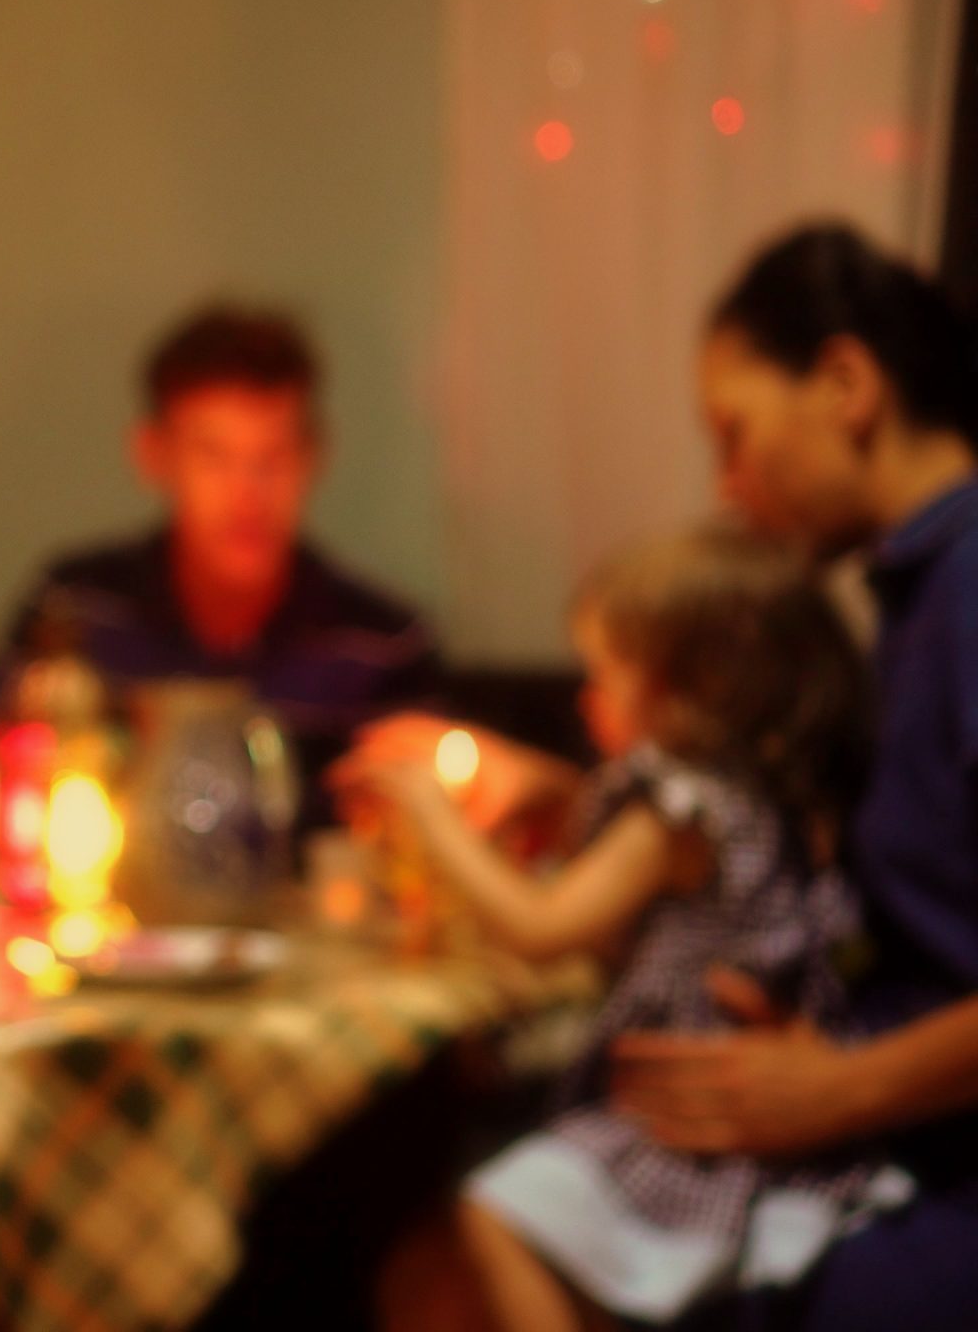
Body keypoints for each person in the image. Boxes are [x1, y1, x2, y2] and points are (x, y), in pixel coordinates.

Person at [353, 223, 978, 1328]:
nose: (728, 487)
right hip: (859, 1111)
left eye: (733, 433)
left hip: (931, 1160)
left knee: (452, 1275)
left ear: (846, 385)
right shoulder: (903, 598)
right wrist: (567, 794)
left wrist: (842, 1089)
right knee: (431, 1254)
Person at [350, 527, 899, 1330]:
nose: (586, 698)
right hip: (743, 1118)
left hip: (679, 1118)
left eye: (603, 674)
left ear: (685, 690)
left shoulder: (674, 807)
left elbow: (539, 930)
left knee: (493, 1214)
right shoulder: (766, 798)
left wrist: (436, 819)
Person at [4, 304, 441, 807]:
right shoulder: (73, 613)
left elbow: (420, 824)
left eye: (272, 457)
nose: (246, 495)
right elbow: (11, 781)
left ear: (312, 457)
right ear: (154, 455)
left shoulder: (381, 649)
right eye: (213, 457)